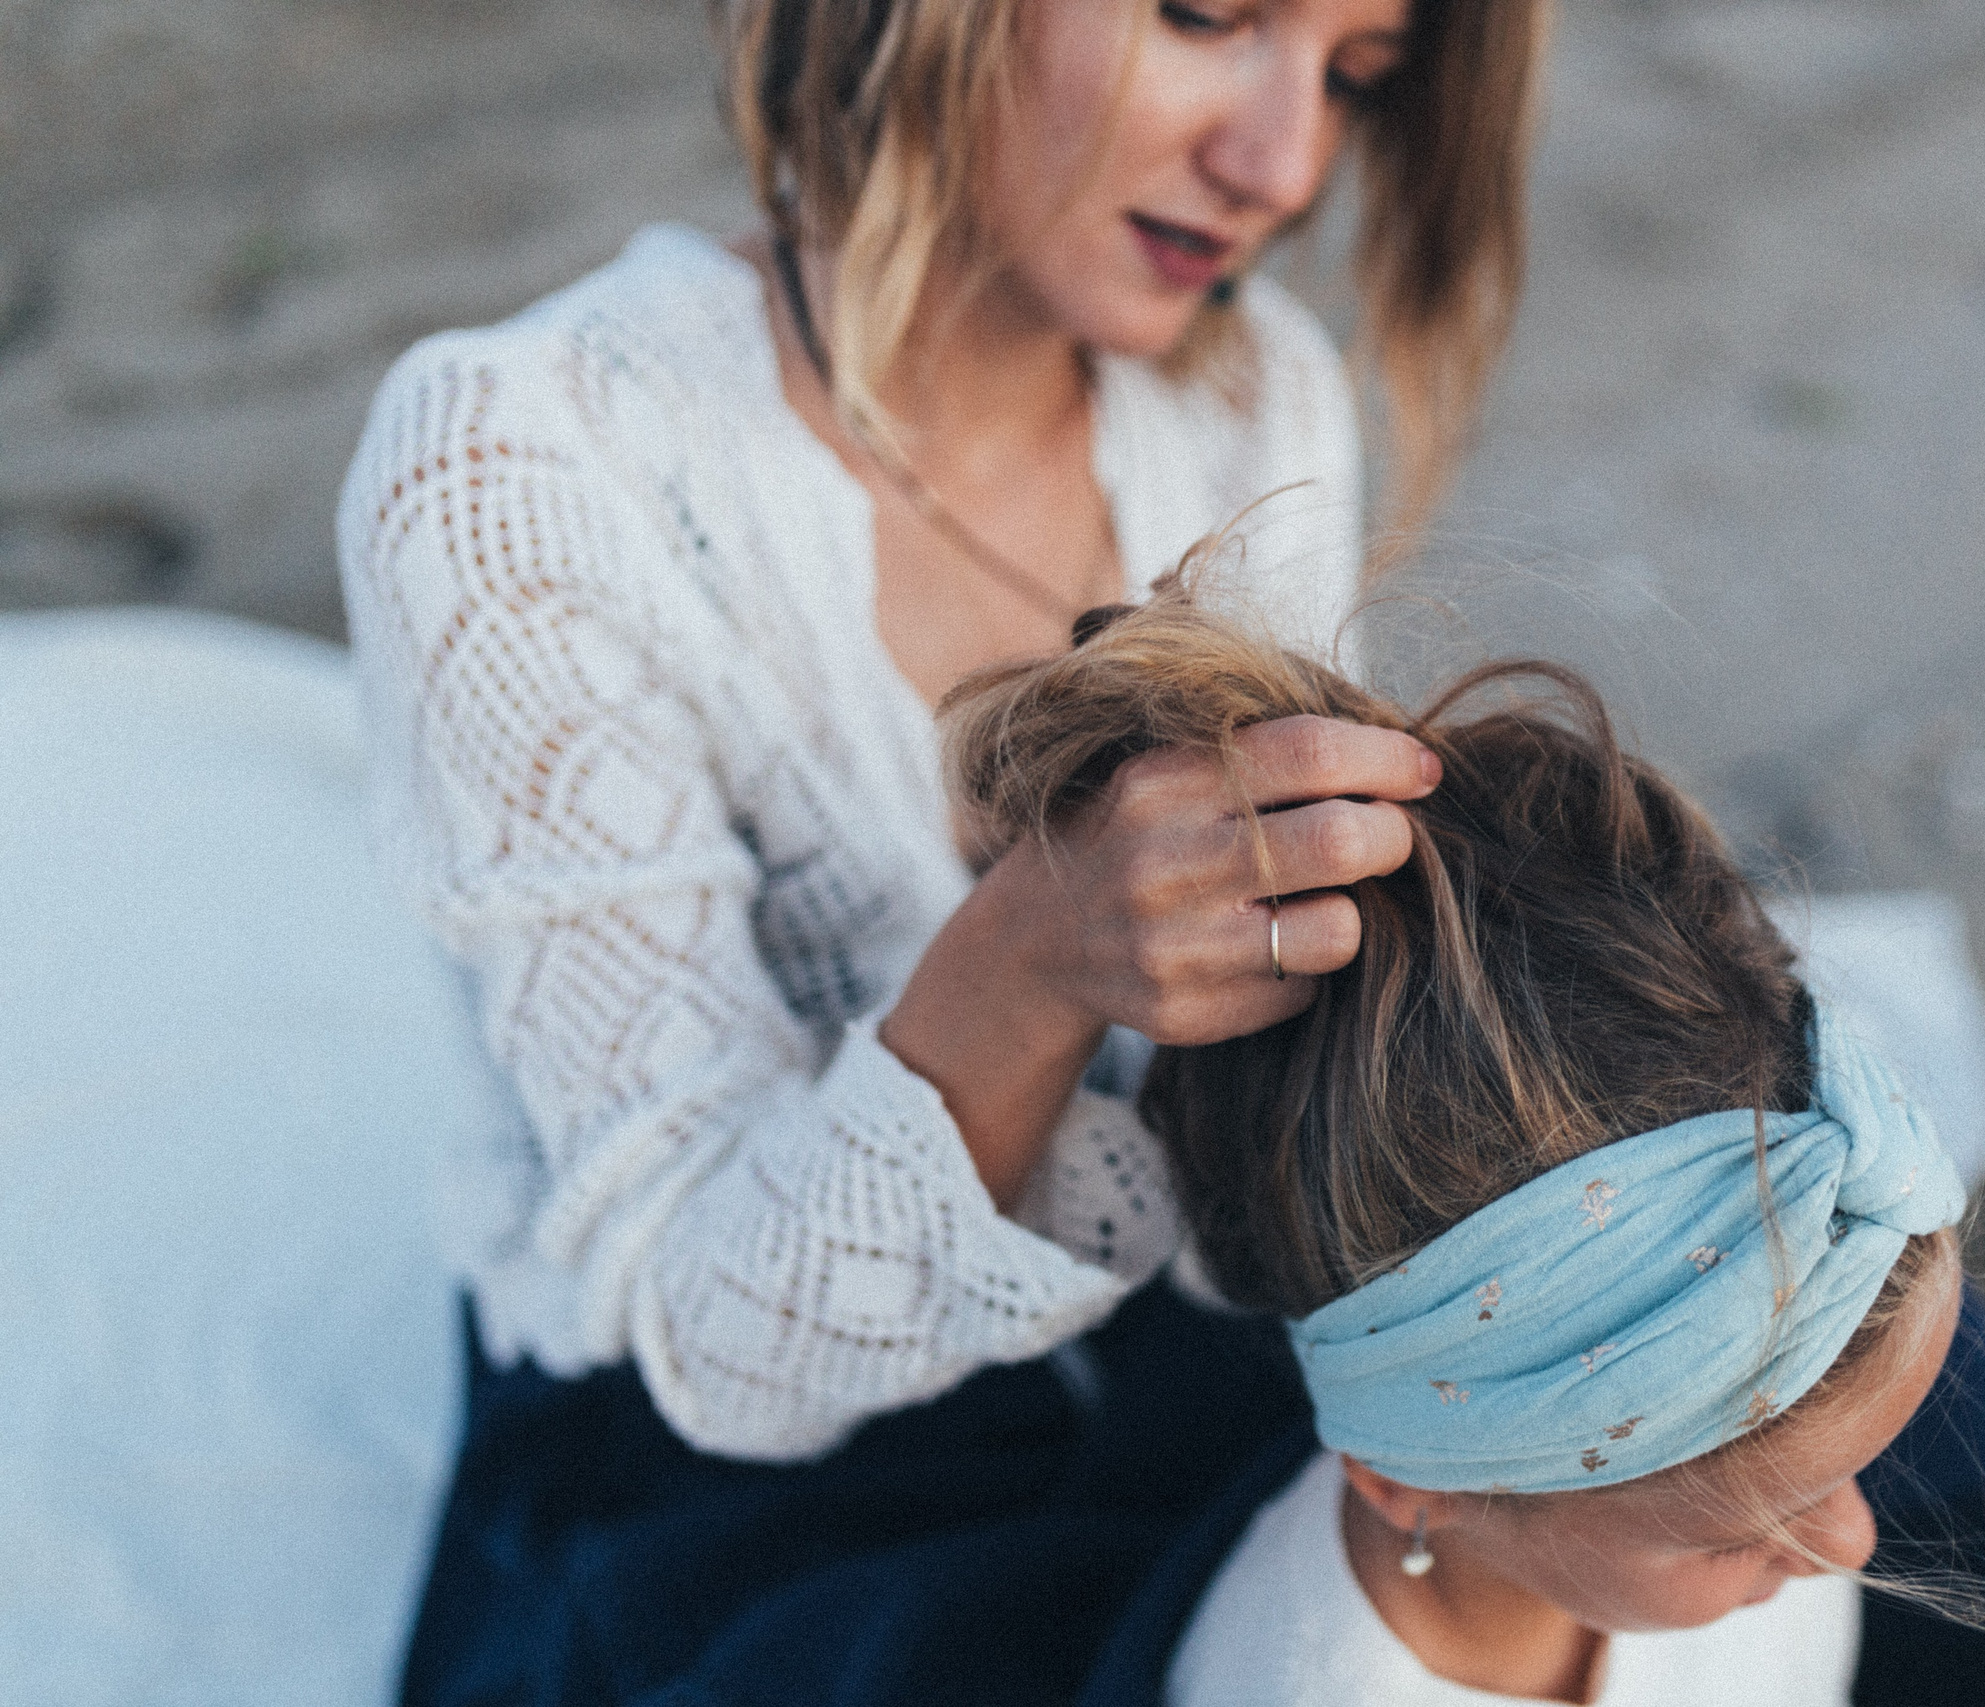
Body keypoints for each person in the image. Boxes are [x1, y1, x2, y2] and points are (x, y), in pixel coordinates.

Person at [339, 2, 1548, 1702]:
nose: (1282, 166)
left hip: (1178, 1320)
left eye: (1357, 76)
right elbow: (720, 1342)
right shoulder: (517, 466)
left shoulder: (1251, 397)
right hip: (713, 1464)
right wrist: (1034, 956)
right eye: (1208, 14)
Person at [935, 582, 1985, 1706]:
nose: (1856, 1541)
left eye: (1849, 1468)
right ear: (1412, 1480)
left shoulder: (1656, 1549)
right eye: (1744, 1528)